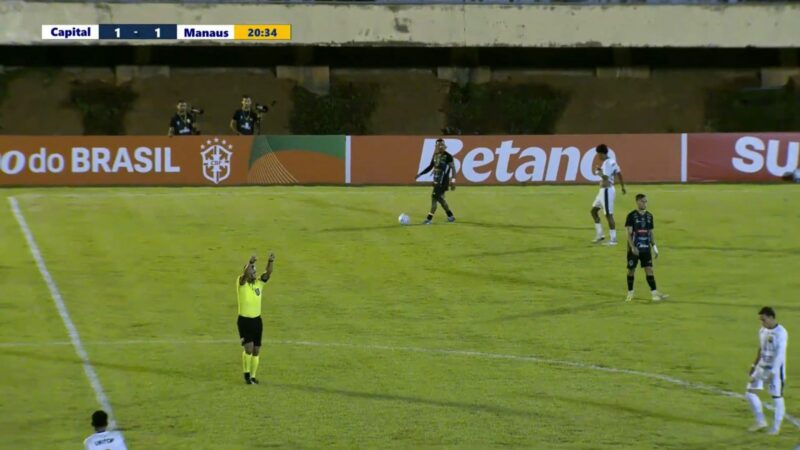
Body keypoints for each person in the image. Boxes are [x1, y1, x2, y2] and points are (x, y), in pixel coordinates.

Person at [746, 306, 788, 435]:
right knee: (750, 393)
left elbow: (780, 355)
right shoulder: (762, 331)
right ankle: (761, 421)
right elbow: (761, 348)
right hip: (762, 367)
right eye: (760, 320)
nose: (762, 322)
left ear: (771, 317)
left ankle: (775, 428)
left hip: (775, 370)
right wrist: (754, 365)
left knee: (776, 397)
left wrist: (773, 372)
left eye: (763, 319)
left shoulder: (781, 332)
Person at [237, 253, 275, 384]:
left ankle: (253, 376)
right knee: (248, 348)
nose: (254, 272)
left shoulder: (259, 284)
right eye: (253, 270)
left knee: (256, 350)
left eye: (255, 271)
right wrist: (250, 262)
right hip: (244, 321)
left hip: (257, 321)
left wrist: (270, 261)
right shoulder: (241, 283)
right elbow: (245, 275)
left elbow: (268, 274)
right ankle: (246, 374)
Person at [624, 194, 668, 302]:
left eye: (646, 202)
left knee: (649, 270)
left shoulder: (649, 216)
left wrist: (654, 247)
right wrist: (632, 247)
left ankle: (654, 293)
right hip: (634, 249)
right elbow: (629, 234)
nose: (645, 204)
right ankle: (630, 292)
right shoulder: (631, 216)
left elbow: (650, 232)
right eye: (643, 201)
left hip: (645, 249)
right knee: (631, 271)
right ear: (637, 202)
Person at [591, 144, 626, 245]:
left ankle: (613, 240)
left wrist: (598, 172)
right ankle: (600, 235)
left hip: (606, 190)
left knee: (608, 214)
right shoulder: (612, 161)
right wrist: (623, 187)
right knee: (593, 211)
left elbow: (605, 177)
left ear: (601, 153)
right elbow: (619, 173)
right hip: (604, 191)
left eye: (598, 154)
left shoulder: (606, 163)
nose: (598, 156)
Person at [416, 138, 456, 224]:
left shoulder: (448, 156)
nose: (441, 146)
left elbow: (453, 168)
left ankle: (429, 219)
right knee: (440, 199)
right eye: (439, 145)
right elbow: (430, 167)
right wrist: (421, 174)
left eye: (442, 145)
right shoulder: (435, 155)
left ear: (444, 146)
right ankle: (450, 216)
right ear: (436, 146)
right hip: (436, 181)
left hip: (443, 182)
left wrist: (453, 181)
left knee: (434, 199)